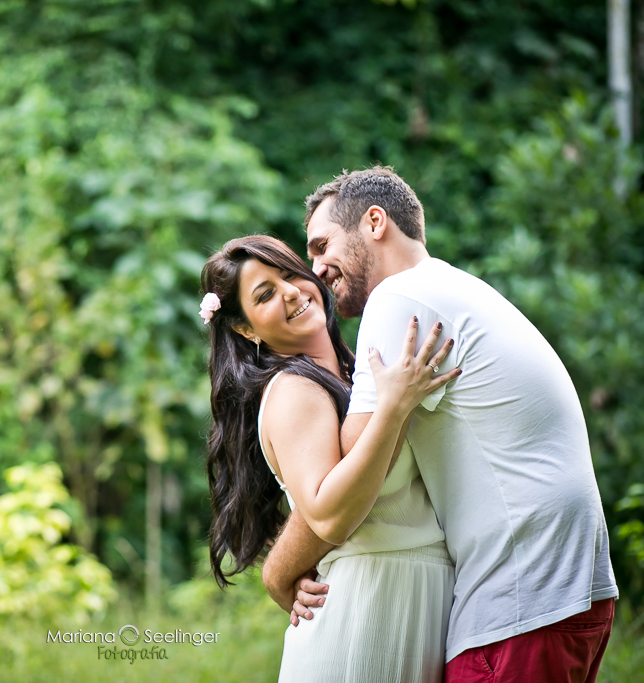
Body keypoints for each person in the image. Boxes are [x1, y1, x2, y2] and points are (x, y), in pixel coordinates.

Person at [265, 167, 619, 683]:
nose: (315, 268)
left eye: (323, 245)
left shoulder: (400, 299)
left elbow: (348, 476)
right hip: (567, 589)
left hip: (520, 597)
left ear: (375, 221)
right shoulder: (453, 288)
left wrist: (277, 573)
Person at [201, 234, 461, 682]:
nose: (290, 292)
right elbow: (326, 514)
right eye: (264, 294)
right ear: (246, 329)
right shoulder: (292, 390)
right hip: (366, 612)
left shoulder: (354, 371)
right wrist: (394, 408)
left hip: (416, 598)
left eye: (289, 274)